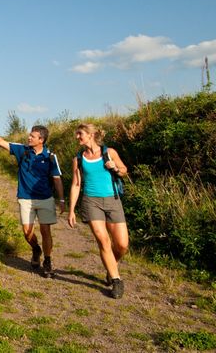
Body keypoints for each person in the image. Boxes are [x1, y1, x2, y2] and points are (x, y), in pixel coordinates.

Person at [0, 122, 65, 277]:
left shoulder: (51, 156)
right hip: (25, 198)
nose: (29, 137)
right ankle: (36, 249)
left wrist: (62, 200)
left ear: (41, 140)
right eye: (30, 135)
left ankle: (48, 260)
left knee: (46, 231)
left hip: (45, 198)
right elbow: (1, 142)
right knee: (27, 232)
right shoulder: (22, 150)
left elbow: (56, 179)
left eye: (32, 136)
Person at [67, 123, 129, 299]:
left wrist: (115, 168)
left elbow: (124, 171)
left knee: (123, 245)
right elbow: (76, 184)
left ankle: (111, 267)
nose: (77, 137)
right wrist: (71, 210)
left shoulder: (109, 152)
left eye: (80, 134)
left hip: (113, 200)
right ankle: (116, 280)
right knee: (103, 241)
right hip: (91, 201)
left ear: (91, 135)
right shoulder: (78, 158)